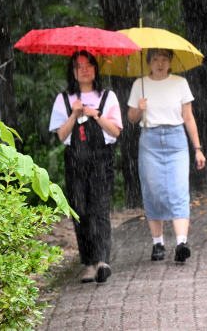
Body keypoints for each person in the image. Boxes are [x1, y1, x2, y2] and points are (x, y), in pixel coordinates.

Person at [48, 50, 123, 283]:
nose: (84, 69)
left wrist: (95, 114)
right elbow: (61, 135)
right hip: (75, 162)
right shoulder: (63, 98)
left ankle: (102, 261)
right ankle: (88, 263)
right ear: (73, 71)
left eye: (89, 65)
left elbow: (115, 131)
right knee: (80, 211)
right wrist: (74, 114)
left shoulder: (107, 96)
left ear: (95, 69)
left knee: (99, 209)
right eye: (79, 66)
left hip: (101, 161)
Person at [127, 48, 206, 263]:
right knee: (154, 190)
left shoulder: (180, 83)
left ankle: (182, 242)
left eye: (164, 59)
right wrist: (139, 108)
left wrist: (197, 148)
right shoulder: (139, 85)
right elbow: (132, 118)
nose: (159, 64)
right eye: (155, 59)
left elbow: (188, 117)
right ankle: (158, 243)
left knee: (179, 188)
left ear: (170, 61)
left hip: (176, 139)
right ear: (149, 62)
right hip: (150, 140)